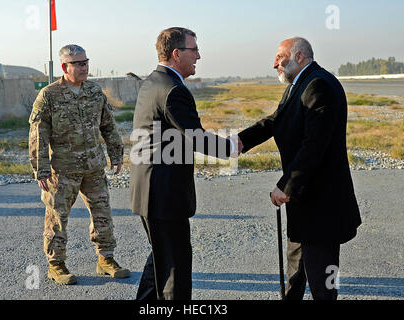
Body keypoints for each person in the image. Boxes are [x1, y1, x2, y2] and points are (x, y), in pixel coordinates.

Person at [237, 37, 362, 300]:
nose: (274, 64)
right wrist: (240, 141)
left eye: (280, 57)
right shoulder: (299, 84)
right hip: (303, 203)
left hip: (321, 206)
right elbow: (276, 120)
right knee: (295, 275)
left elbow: (314, 145)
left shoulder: (319, 85)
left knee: (322, 284)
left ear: (300, 56)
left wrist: (286, 185)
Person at [130, 27, 237, 300]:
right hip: (164, 195)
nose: (199, 56)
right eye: (194, 50)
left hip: (150, 189)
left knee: (161, 260)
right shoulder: (172, 89)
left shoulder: (153, 81)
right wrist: (232, 146)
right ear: (177, 54)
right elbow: (196, 137)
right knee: (175, 270)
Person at [29, 44, 130, 285]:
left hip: (93, 166)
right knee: (57, 217)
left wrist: (116, 153)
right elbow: (38, 134)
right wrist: (40, 168)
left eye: (86, 62)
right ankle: (56, 265)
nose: (84, 67)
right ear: (65, 67)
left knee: (103, 213)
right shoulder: (49, 95)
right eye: (78, 64)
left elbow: (107, 125)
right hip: (62, 170)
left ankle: (106, 259)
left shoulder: (95, 92)